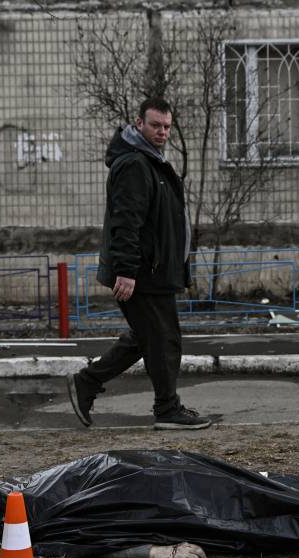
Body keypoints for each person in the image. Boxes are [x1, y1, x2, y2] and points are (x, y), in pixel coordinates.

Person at [66, 98, 211, 430]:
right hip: (142, 273)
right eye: (155, 125)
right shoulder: (134, 164)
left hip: (155, 272)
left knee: (147, 338)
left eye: (167, 127)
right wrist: (126, 271)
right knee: (163, 339)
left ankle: (87, 381)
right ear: (138, 123)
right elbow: (126, 222)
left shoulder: (151, 161)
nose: (162, 132)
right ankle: (167, 409)